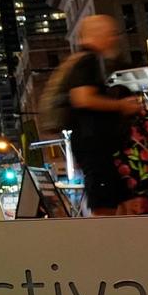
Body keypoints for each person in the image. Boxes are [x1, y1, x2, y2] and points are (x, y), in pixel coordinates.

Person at [61, 15, 143, 216]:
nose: (114, 39)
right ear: (97, 34)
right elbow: (82, 98)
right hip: (93, 145)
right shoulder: (87, 60)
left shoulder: (89, 60)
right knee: (105, 208)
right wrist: (120, 105)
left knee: (119, 203)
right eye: (111, 34)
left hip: (96, 145)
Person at [107, 86, 148, 214]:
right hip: (142, 172)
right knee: (147, 218)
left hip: (116, 174)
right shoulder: (140, 116)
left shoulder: (105, 120)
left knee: (123, 217)